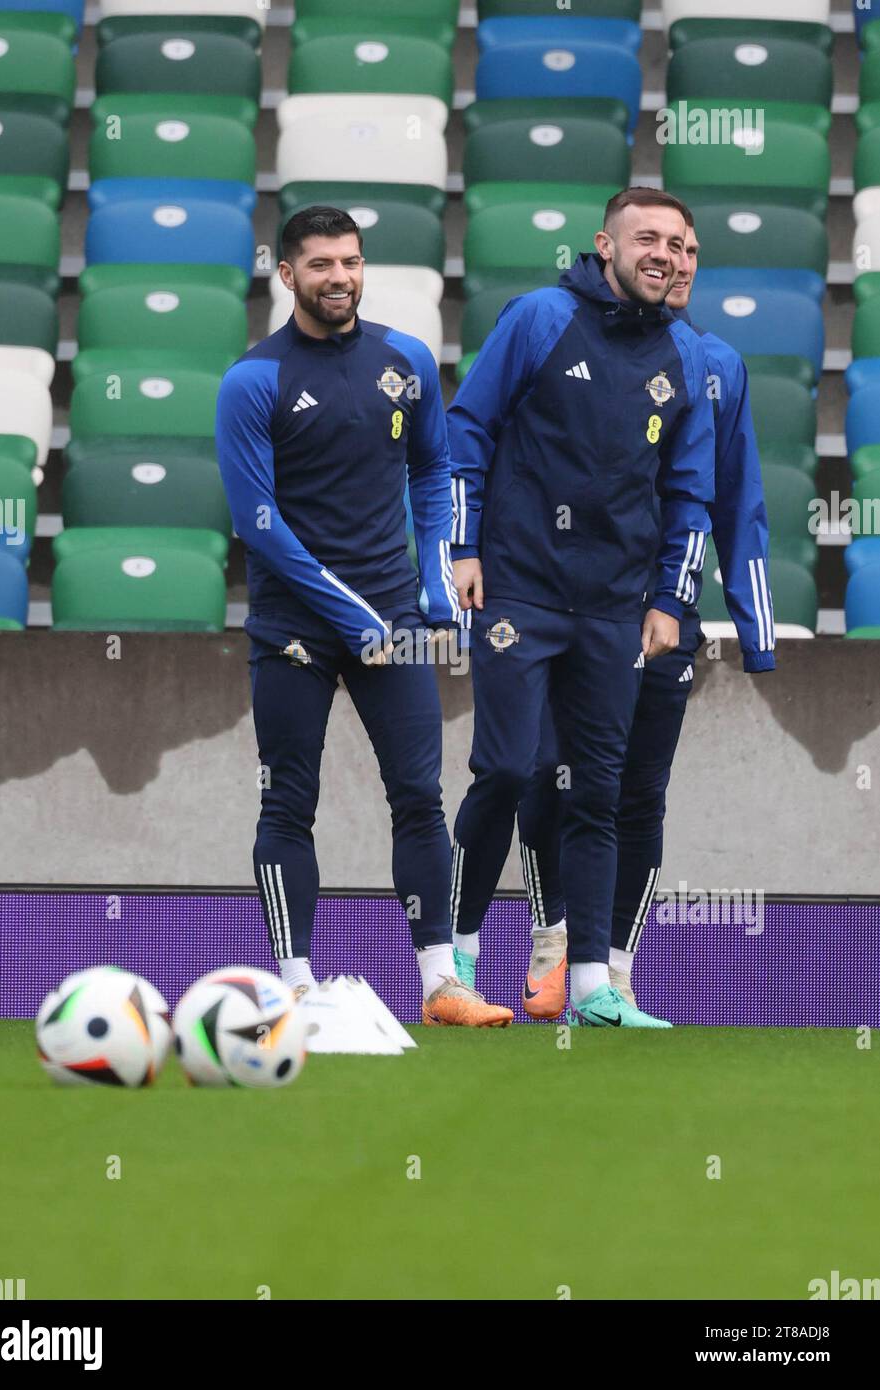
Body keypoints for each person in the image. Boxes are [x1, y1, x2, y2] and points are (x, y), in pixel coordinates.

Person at [215, 205, 512, 1026]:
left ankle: (439, 984)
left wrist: (430, 582)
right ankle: (295, 983)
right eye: (320, 265)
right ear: (286, 275)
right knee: (287, 804)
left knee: (418, 796)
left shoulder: (405, 360)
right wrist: (351, 615)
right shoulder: (253, 381)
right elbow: (258, 524)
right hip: (293, 632)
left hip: (396, 626)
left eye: (350, 261)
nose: (339, 277)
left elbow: (430, 472)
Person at [448, 188, 716, 1028]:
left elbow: (691, 495)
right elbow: (466, 429)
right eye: (646, 239)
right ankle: (455, 958)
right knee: (507, 768)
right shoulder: (538, 318)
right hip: (518, 592)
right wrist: (461, 547)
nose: (664, 254)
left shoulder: (686, 358)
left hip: (613, 611)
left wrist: (671, 598)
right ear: (605, 245)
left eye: (677, 243)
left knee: (597, 793)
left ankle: (594, 985)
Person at [507, 214, 776, 1017]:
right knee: (546, 771)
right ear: (614, 251)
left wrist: (754, 633)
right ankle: (553, 937)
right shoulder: (563, 334)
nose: (677, 262)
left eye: (691, 251)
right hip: (568, 598)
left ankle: (616, 967)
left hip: (664, 615)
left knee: (639, 792)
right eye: (662, 249)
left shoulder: (716, 364)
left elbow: (737, 502)